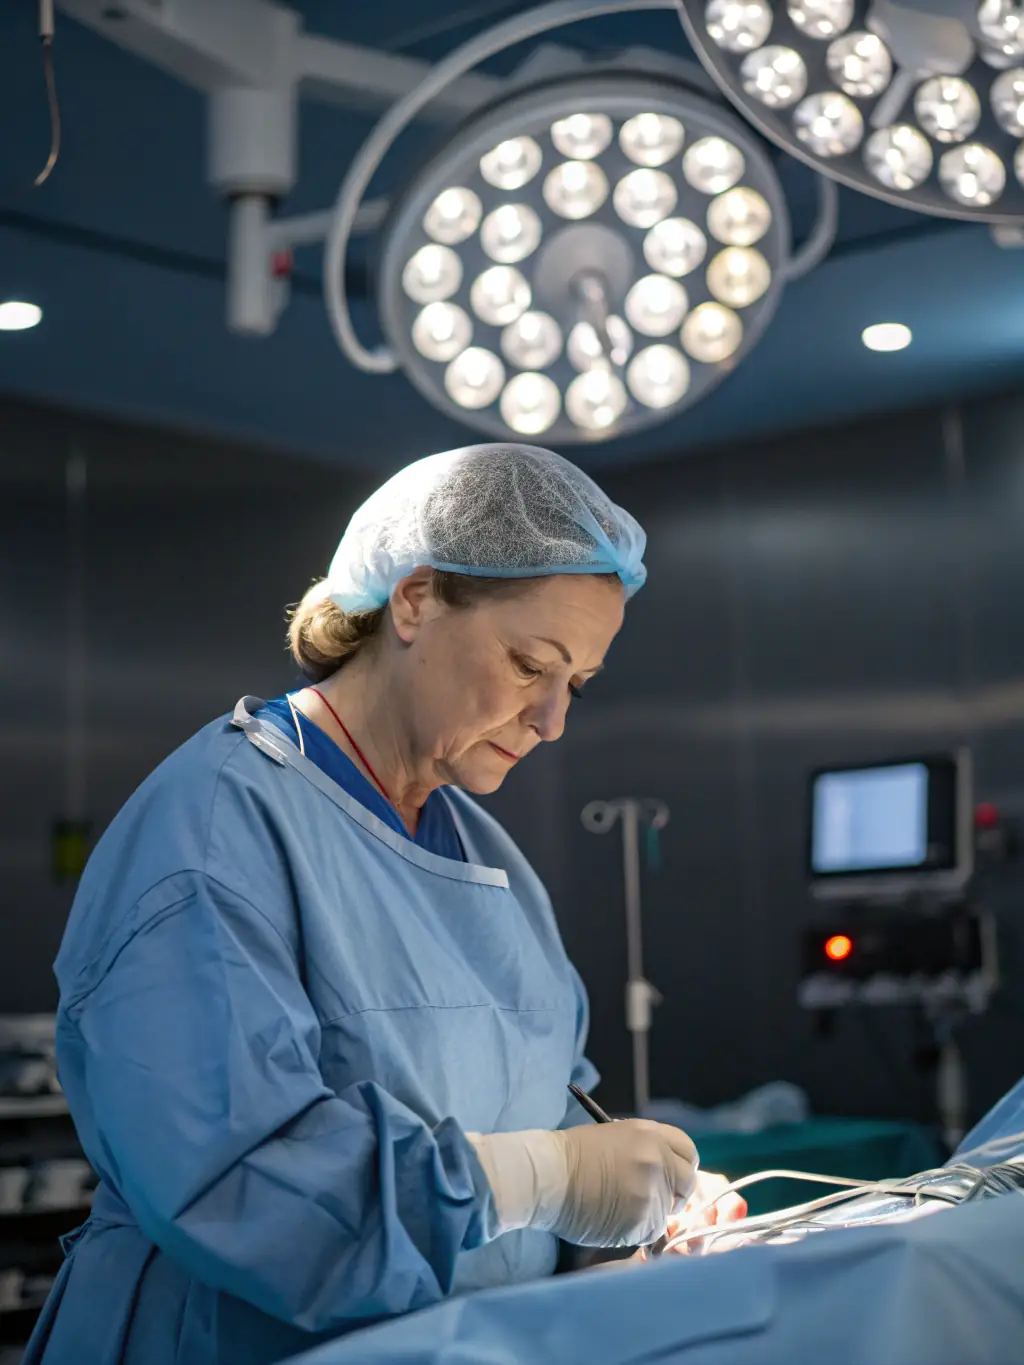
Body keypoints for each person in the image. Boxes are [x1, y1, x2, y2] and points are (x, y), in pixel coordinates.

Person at [25, 444, 740, 1365]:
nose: (553, 719)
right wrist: (544, 1179)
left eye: (579, 685)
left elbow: (553, 1104)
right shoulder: (215, 832)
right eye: (531, 664)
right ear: (414, 599)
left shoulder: (487, 861)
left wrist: (633, 1210)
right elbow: (238, 1185)